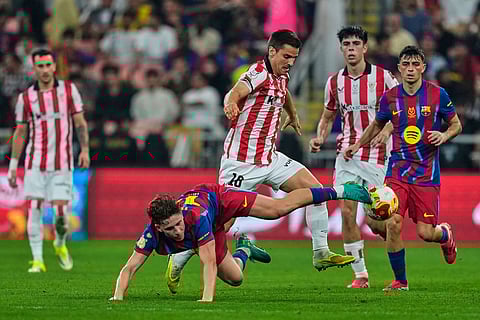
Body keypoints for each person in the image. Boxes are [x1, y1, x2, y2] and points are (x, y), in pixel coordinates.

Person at [166, 29, 358, 294]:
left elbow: (284, 93)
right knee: (221, 223)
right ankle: (181, 254)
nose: (291, 62)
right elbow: (235, 92)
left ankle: (321, 252)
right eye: (287, 56)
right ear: (272, 51)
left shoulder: (282, 76)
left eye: (294, 57)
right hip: (241, 163)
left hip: (270, 158)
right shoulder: (257, 72)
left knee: (316, 191)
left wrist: (292, 113)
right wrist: (231, 103)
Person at [110, 182, 372, 302]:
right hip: (212, 225)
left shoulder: (195, 218)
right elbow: (129, 267)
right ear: (158, 227)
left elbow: (209, 263)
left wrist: (206, 299)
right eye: (170, 228)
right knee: (236, 280)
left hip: (219, 200)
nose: (177, 230)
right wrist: (117, 298)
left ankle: (338, 190)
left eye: (179, 223)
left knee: (277, 209)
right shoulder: (151, 233)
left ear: (181, 216)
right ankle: (244, 248)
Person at [344, 45, 461, 291]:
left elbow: (456, 125)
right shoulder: (391, 97)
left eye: (415, 64)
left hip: (427, 174)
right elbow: (376, 125)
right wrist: (357, 145)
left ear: (423, 68)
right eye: (405, 64)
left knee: (425, 233)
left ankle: (445, 235)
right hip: (397, 170)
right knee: (392, 223)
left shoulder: (438, 94)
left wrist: (444, 135)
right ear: (399, 68)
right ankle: (401, 281)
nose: (410, 69)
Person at [309, 25, 399, 289]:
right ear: (341, 49)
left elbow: (400, 112)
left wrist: (387, 131)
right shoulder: (334, 82)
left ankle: (377, 226)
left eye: (355, 44)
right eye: (346, 44)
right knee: (347, 212)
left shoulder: (384, 78)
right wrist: (320, 137)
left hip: (378, 156)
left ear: (365, 48)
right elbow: (328, 115)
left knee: (379, 219)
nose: (351, 49)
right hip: (346, 154)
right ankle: (360, 275)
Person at [7, 48, 90, 272]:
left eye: (47, 65)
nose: (44, 70)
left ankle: (60, 243)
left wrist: (84, 150)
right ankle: (37, 260)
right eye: (40, 66)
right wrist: (14, 165)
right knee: (34, 207)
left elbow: (80, 123)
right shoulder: (26, 98)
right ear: (34, 69)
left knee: (61, 215)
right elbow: (20, 132)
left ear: (54, 66)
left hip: (62, 163)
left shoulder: (69, 91)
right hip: (35, 163)